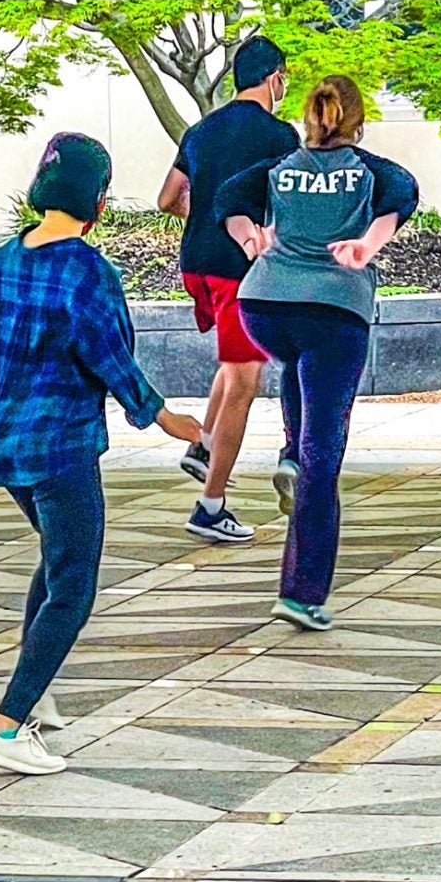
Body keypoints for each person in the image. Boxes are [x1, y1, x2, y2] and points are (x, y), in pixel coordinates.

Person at [0, 133, 203, 776]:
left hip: (4, 445)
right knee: (75, 584)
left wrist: (6, 384)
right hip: (61, 448)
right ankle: (6, 729)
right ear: (99, 202)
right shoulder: (87, 271)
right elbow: (111, 357)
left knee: (56, 562)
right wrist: (166, 417)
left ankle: (37, 687)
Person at [218, 75, 418, 632]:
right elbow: (401, 198)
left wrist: (249, 238)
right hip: (333, 310)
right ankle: (303, 592)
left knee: (299, 374)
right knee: (323, 455)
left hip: (263, 307)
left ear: (309, 119)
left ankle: (289, 452)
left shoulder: (280, 168)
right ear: (357, 121)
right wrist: (365, 247)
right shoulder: (374, 171)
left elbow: (228, 196)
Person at [156, 34, 299, 546]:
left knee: (233, 362)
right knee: (244, 380)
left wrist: (205, 220)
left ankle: (204, 447)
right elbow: (291, 208)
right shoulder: (279, 136)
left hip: (196, 265)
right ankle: (210, 507)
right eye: (284, 77)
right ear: (273, 77)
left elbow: (167, 198)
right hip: (238, 271)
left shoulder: (199, 131)